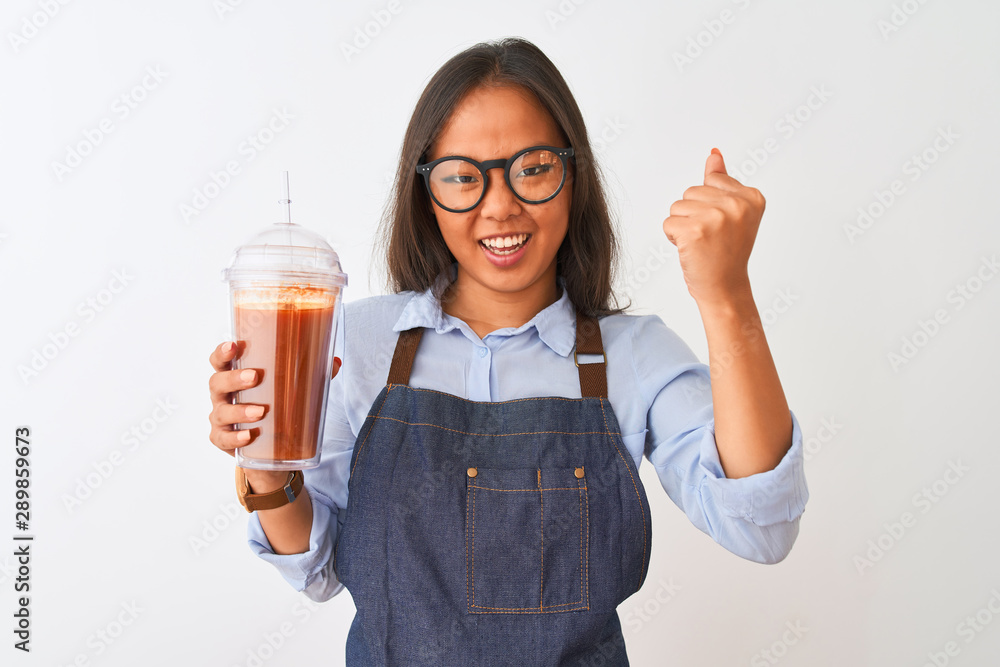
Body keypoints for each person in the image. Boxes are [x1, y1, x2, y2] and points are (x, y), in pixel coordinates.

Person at [208, 37, 809, 666]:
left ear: (573, 176)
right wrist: (266, 468)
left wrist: (727, 297)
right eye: (464, 178)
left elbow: (762, 529)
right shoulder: (359, 343)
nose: (500, 206)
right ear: (426, 193)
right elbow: (319, 567)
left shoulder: (633, 356)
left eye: (533, 168)